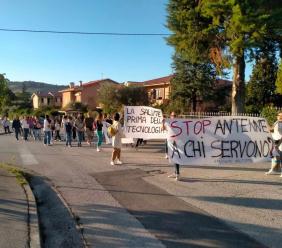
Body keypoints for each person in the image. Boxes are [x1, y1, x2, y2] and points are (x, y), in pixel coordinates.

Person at [162, 111, 181, 181]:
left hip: (177, 142)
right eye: (172, 115)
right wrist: (163, 122)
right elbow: (163, 129)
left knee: (176, 157)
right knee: (173, 158)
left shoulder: (179, 123)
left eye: (175, 115)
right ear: (170, 116)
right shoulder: (167, 122)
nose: (173, 116)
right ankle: (175, 172)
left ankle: (177, 174)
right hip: (170, 142)